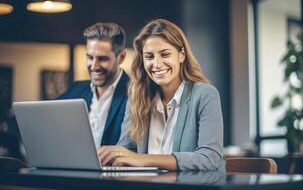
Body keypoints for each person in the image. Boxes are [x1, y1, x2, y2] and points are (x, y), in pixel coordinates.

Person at [98, 19, 225, 171]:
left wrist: (144, 160)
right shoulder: (137, 98)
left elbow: (210, 159)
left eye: (165, 54)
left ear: (181, 55)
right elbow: (127, 150)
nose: (157, 64)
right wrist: (111, 155)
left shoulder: (205, 95)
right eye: (149, 57)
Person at [58, 22, 130, 147]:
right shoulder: (76, 89)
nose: (94, 66)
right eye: (90, 57)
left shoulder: (136, 93)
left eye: (103, 59)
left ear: (121, 57)